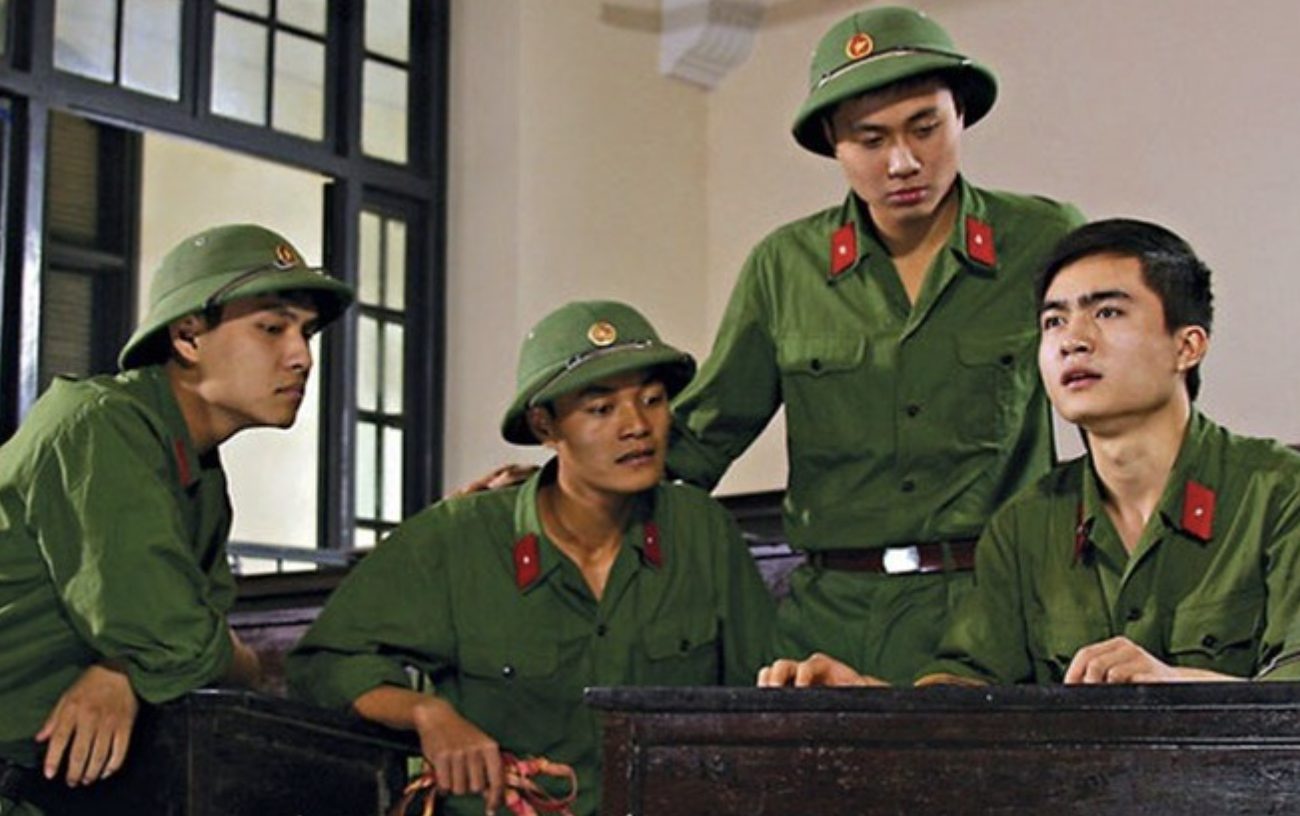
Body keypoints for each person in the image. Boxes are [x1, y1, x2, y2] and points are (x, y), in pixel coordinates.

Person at [666, 6, 1084, 684]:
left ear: (961, 116)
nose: (902, 162)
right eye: (870, 139)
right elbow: (701, 437)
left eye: (926, 127)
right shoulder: (785, 267)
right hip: (832, 621)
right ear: (834, 142)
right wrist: (546, 493)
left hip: (1000, 609)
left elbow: (1115, 404)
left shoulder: (1042, 239)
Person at [757, 218, 1300, 688]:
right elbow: (972, 693)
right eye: (1053, 321)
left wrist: (1178, 688)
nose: (1073, 340)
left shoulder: (1278, 493)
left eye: (1108, 313)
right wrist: (868, 697)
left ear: (1187, 346)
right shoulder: (1026, 524)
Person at [288, 301, 775, 816]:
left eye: (652, 400)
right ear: (545, 426)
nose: (637, 425)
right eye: (601, 409)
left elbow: (766, 701)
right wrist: (426, 713)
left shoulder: (702, 532)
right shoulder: (458, 539)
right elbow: (322, 664)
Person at [0, 224, 354, 813]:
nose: (301, 357)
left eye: (307, 333)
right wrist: (159, 659)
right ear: (188, 336)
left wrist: (122, 668)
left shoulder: (199, 477)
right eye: (272, 328)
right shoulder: (101, 426)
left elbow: (182, 637)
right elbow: (185, 646)